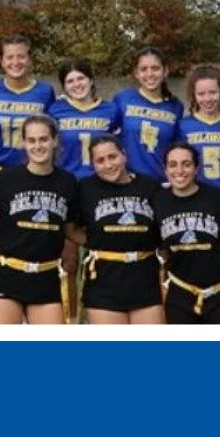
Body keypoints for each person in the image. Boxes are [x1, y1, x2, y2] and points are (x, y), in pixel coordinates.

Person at [0, 115, 78, 325]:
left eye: (43, 139)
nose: (38, 146)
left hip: (45, 276)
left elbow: (71, 227)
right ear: (23, 143)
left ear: (55, 140)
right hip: (5, 274)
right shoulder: (6, 179)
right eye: (31, 140)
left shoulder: (68, 183)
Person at [67, 137, 165, 324]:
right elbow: (71, 228)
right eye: (100, 160)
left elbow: (162, 228)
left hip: (144, 277)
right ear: (93, 164)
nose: (108, 165)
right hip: (105, 279)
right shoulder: (85, 189)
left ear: (124, 155)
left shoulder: (149, 186)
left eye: (113, 157)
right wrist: (95, 242)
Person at [158, 142, 220, 324]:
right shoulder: (158, 202)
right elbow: (161, 248)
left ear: (196, 168)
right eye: (173, 165)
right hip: (181, 292)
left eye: (186, 164)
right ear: (165, 169)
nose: (179, 171)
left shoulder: (219, 198)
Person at [0, 34, 55, 189]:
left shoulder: (45, 91)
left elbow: (52, 131)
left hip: (35, 171)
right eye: (10, 57)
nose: (16, 62)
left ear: (29, 59)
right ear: (2, 61)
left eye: (21, 56)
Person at [113, 47, 183, 184]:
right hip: (127, 181)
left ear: (165, 71)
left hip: (160, 182)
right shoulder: (123, 99)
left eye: (155, 68)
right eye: (143, 69)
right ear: (136, 73)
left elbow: (175, 147)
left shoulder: (176, 106)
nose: (150, 74)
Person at [49, 58, 122, 180]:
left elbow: (119, 149)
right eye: (70, 81)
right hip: (65, 180)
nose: (77, 84)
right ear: (64, 87)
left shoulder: (111, 110)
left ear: (91, 80)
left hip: (101, 181)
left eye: (81, 78)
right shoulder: (54, 110)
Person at [178, 64, 220, 188]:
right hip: (196, 194)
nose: (207, 98)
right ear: (194, 95)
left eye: (213, 92)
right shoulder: (184, 126)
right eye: (201, 94)